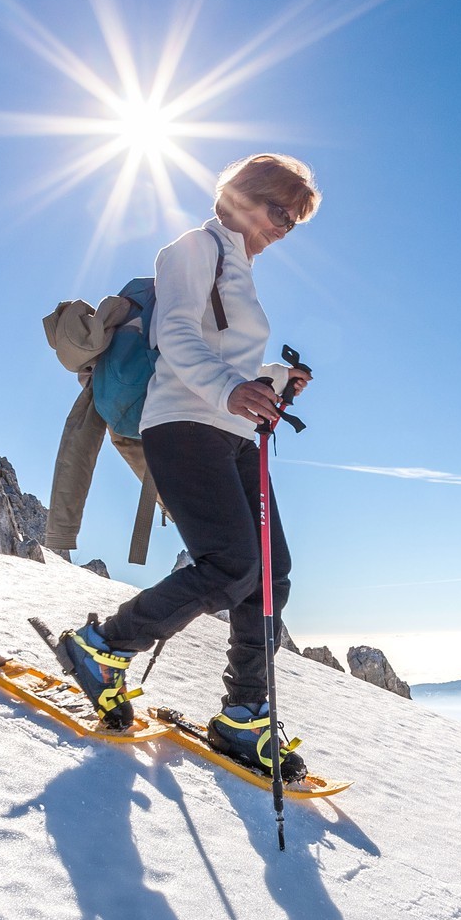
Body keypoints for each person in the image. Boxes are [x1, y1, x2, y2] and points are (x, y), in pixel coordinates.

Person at [59, 152, 320, 775]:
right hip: (182, 424)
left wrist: (274, 379)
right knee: (231, 563)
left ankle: (244, 714)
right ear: (242, 194)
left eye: (295, 220)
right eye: (279, 210)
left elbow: (222, 351)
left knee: (270, 573)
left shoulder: (241, 270)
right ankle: (102, 645)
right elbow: (174, 334)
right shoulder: (193, 248)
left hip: (233, 433)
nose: (284, 227)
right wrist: (231, 389)